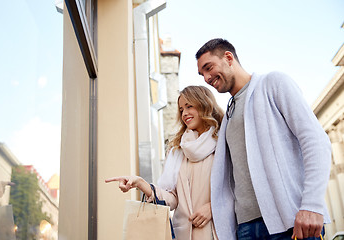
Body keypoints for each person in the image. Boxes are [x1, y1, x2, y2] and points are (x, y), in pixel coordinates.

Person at [195, 38, 331, 240]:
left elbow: (316, 141)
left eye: (209, 67)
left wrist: (312, 204)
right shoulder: (228, 116)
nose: (206, 78)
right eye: (202, 74)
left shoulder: (273, 83)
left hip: (291, 222)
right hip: (246, 229)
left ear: (229, 58)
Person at [106, 86, 224, 240]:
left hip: (218, 231)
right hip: (183, 233)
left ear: (204, 104)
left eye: (189, 106)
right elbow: (172, 198)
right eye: (181, 109)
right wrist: (141, 183)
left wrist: (213, 207)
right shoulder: (177, 149)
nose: (185, 113)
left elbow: (237, 189)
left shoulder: (223, 142)